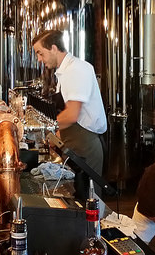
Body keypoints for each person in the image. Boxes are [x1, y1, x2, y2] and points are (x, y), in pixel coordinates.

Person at [32, 30, 107, 199]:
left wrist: (46, 128)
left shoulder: (76, 70)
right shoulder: (65, 72)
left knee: (90, 199)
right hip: (75, 140)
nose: (39, 59)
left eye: (40, 53)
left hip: (86, 142)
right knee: (77, 196)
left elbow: (72, 115)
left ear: (53, 48)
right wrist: (55, 136)